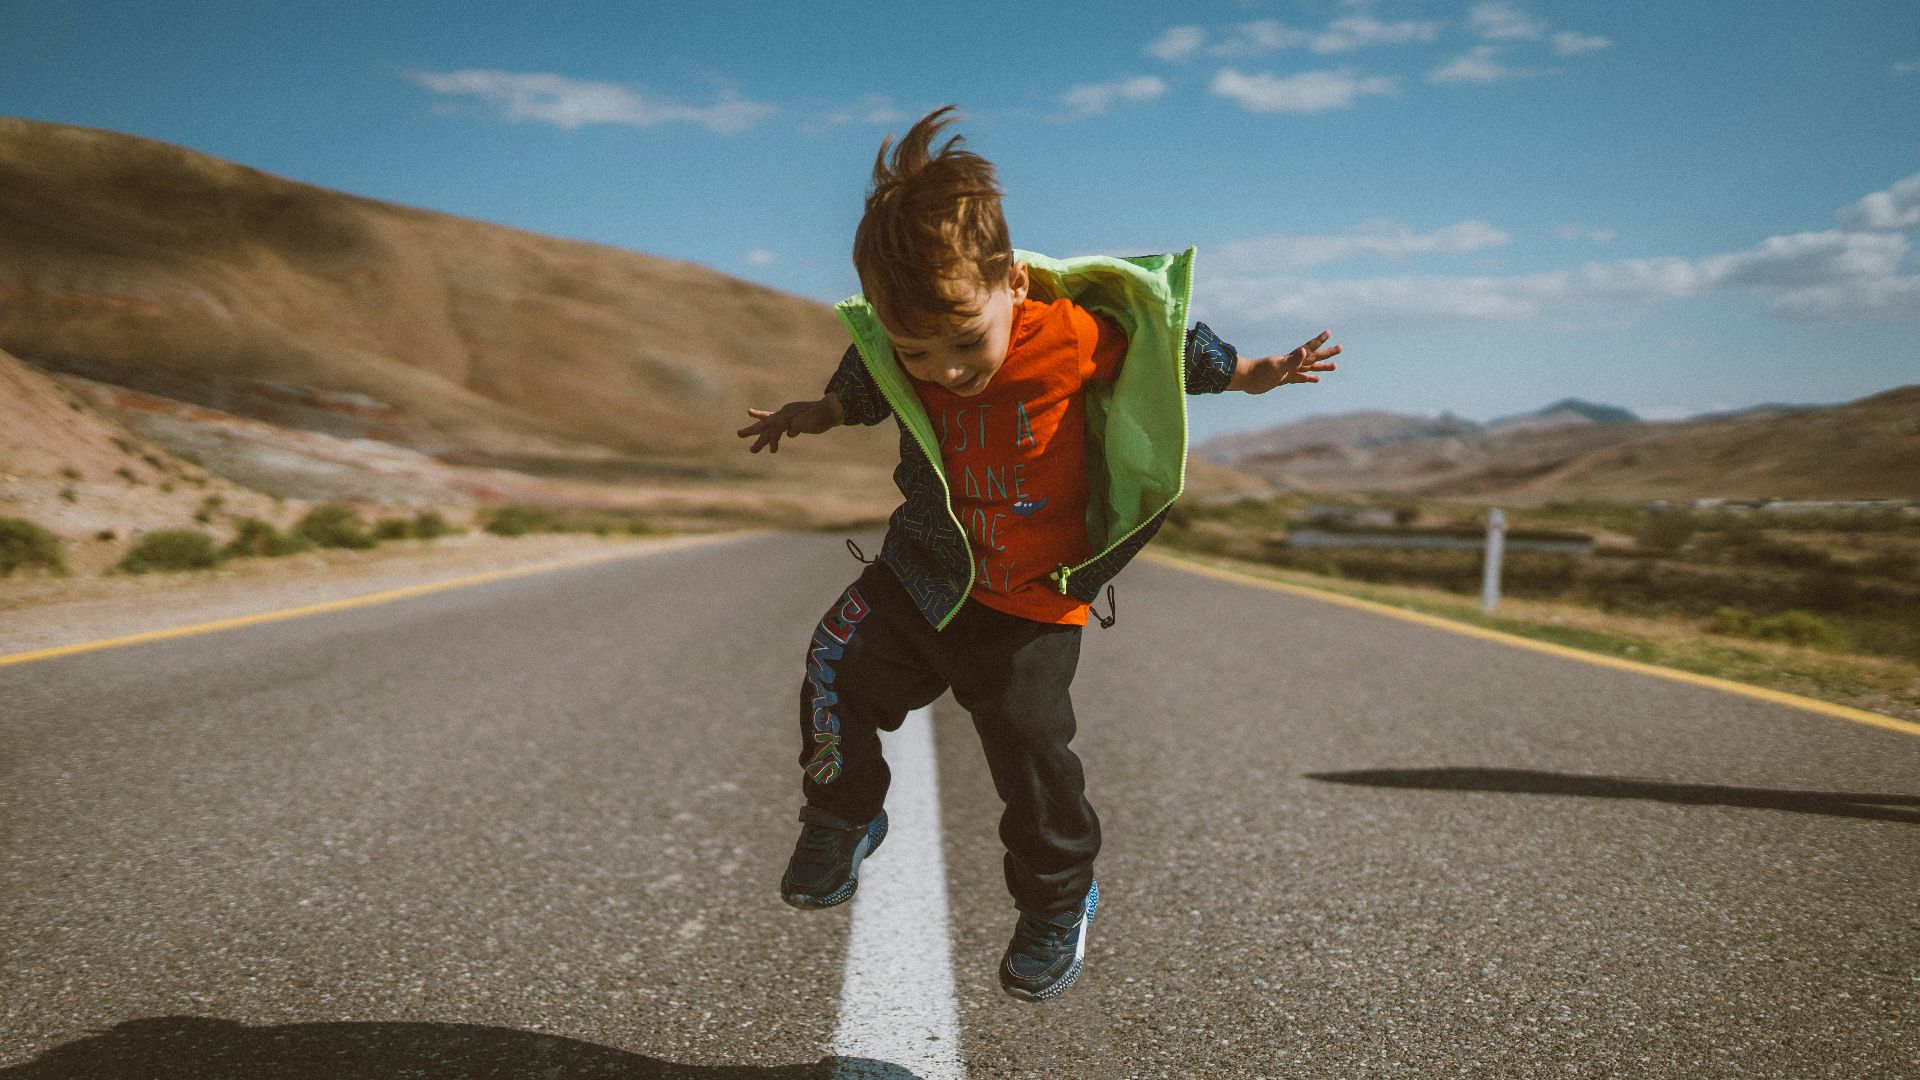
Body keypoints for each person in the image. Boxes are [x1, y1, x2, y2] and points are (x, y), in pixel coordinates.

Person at [737, 105, 1340, 1002]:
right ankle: (841, 813)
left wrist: (1251, 372)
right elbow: (864, 380)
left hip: (1029, 600)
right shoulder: (902, 352)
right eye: (917, 351)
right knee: (833, 667)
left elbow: (1165, 347)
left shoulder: (1071, 332)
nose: (942, 371)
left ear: (1013, 283)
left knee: (1028, 757)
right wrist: (814, 412)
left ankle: (1059, 900)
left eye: (962, 343)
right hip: (923, 572)